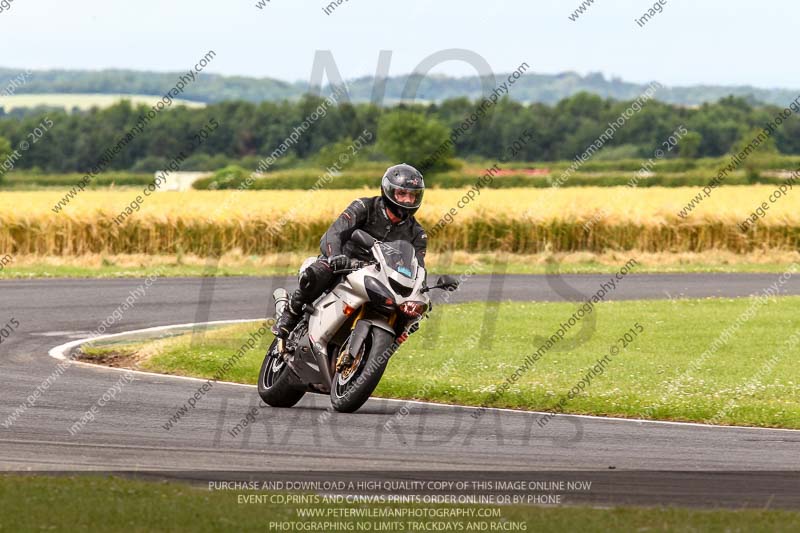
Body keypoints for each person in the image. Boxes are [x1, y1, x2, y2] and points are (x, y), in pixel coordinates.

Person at [273, 163, 428, 339]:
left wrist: (421, 292)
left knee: (408, 318)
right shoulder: (364, 207)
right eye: (402, 194)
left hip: (381, 278)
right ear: (388, 191)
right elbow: (334, 233)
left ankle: (373, 353)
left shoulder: (417, 233)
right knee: (320, 271)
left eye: (413, 195)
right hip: (346, 264)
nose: (408, 200)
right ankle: (290, 314)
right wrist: (336, 257)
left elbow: (419, 268)